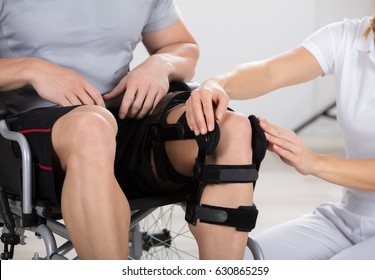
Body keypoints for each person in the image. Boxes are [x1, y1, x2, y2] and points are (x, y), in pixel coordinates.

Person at [0, 0, 265, 260]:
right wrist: (31, 70)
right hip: (31, 136)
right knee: (92, 127)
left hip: (123, 120)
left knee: (230, 131)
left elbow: (182, 45)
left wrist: (161, 64)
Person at [185, 0, 375, 259]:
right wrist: (217, 83)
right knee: (243, 261)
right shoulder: (346, 37)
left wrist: (315, 163)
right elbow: (270, 72)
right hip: (346, 218)